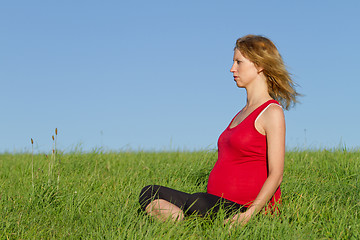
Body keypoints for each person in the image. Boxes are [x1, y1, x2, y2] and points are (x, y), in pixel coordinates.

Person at [139, 34, 299, 227]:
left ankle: (192, 223)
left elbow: (277, 173)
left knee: (198, 201)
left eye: (239, 62)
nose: (232, 69)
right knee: (150, 192)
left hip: (245, 210)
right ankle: (183, 225)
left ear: (259, 65)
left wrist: (249, 214)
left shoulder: (271, 112)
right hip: (212, 203)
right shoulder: (241, 113)